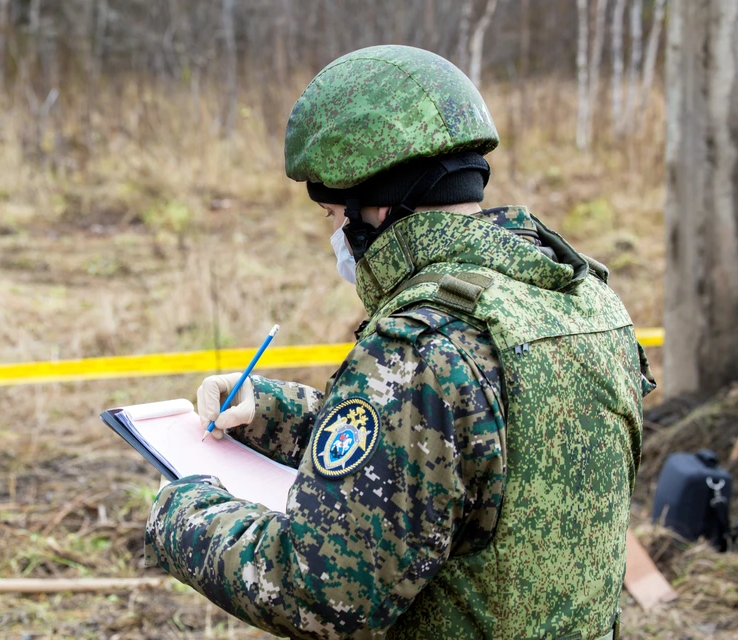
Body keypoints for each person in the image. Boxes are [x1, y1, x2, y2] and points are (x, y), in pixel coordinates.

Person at [144, 45, 655, 639]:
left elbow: (318, 591)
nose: (333, 234)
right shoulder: (583, 301)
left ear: (372, 207)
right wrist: (275, 414)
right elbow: (462, 455)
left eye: (331, 215)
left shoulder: (420, 349)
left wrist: (184, 512)